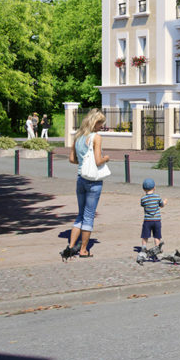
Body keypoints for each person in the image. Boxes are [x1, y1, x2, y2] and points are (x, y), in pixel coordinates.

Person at [64, 110, 109, 259]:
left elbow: (71, 159)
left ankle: (70, 247)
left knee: (81, 215)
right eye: (100, 124)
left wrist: (83, 163)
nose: (101, 127)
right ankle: (83, 250)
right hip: (93, 182)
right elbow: (97, 161)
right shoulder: (96, 137)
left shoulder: (77, 137)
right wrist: (106, 158)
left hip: (80, 178)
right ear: (94, 123)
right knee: (89, 215)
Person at [140, 178, 166, 256]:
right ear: (154, 187)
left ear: (143, 189)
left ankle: (144, 247)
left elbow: (142, 205)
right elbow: (161, 205)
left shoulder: (143, 198)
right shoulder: (157, 197)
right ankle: (157, 247)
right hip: (156, 220)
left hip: (147, 220)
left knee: (145, 235)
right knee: (157, 235)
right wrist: (165, 202)